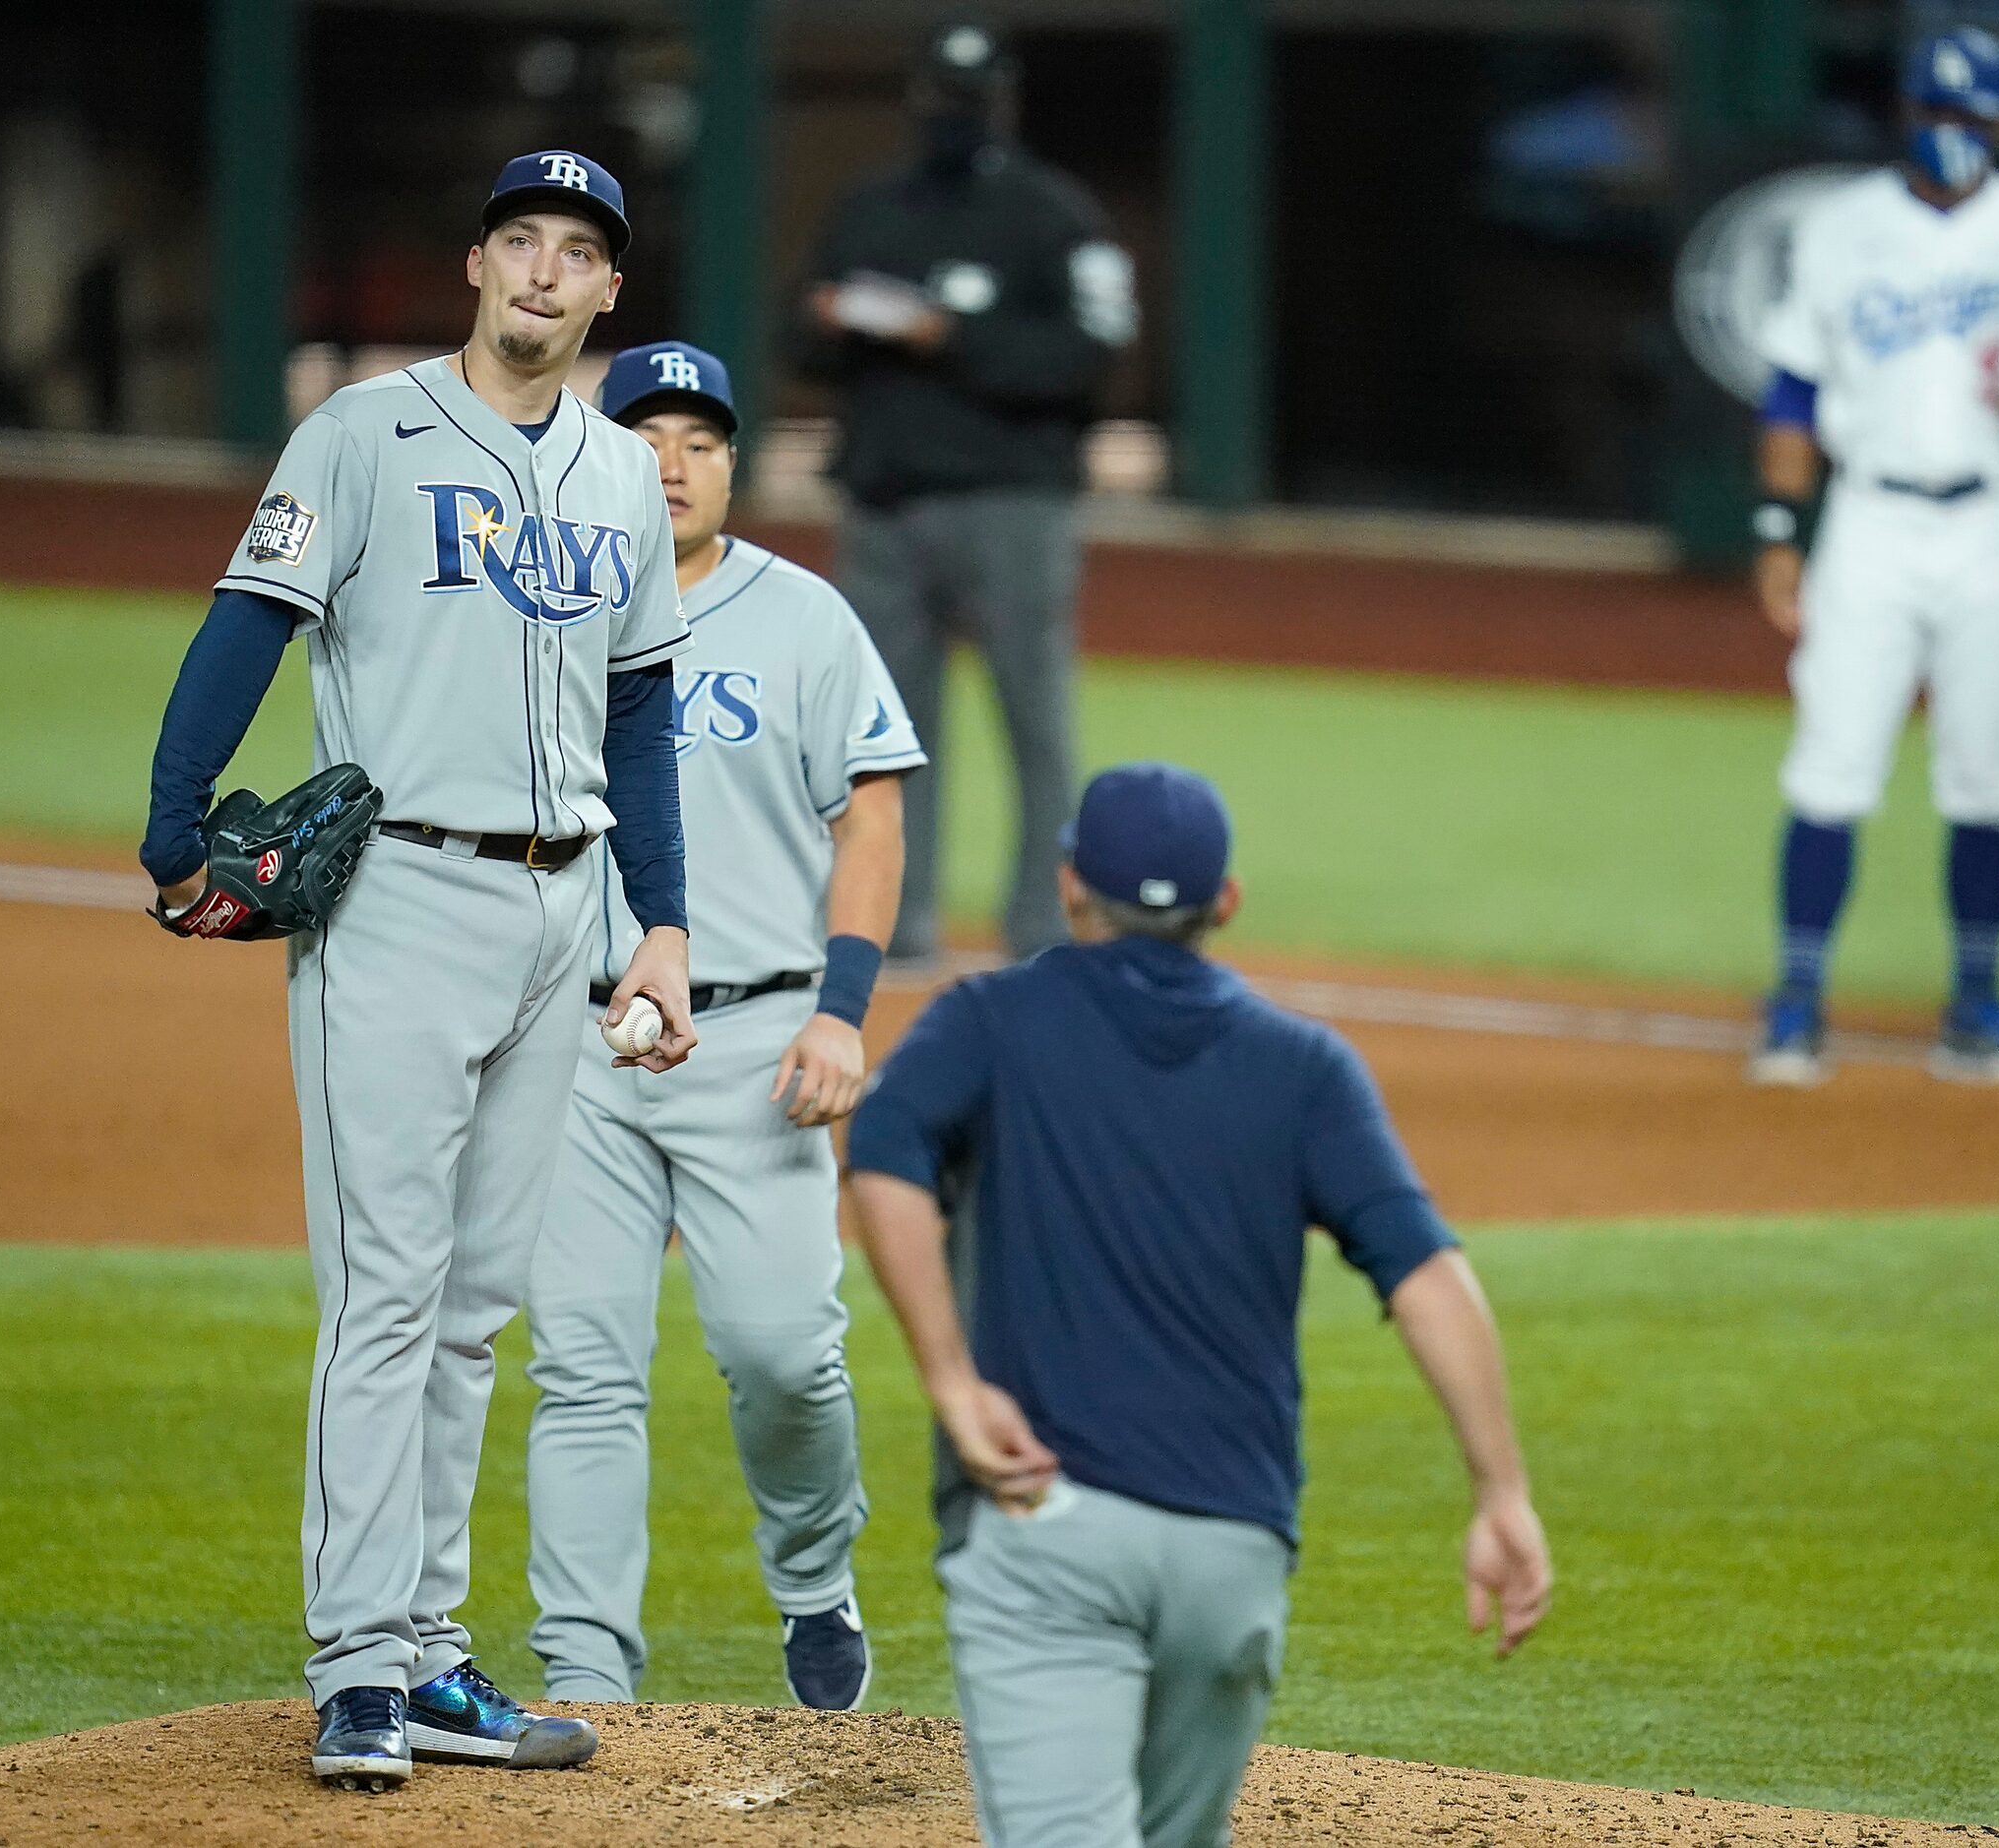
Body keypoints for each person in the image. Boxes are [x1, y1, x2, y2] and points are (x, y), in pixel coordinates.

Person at [139, 150, 698, 1790]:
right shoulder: (361, 437)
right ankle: (352, 1670)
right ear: (475, 264)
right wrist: (173, 826)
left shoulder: (616, 477)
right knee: (385, 1295)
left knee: (471, 1309)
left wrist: (659, 922)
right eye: (518, 239)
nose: (542, 270)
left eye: (575, 251)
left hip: (560, 912)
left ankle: (432, 1654)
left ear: (607, 292)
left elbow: (642, 717)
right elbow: (248, 622)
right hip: (392, 901)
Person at [844, 763, 1553, 1848]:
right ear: (1225, 905)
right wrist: (1500, 1491)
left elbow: (883, 1152)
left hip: (1050, 1528)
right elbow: (1428, 1275)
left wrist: (950, 1379)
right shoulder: (1308, 1068)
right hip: (1235, 1553)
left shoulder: (991, 1020)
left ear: (1072, 885)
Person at [521, 339, 924, 1712]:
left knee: (782, 1356)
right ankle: (585, 1668)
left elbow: (870, 812)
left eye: (702, 438)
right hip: (571, 1044)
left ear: (735, 463)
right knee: (580, 1364)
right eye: (646, 434)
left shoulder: (804, 617)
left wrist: (843, 1013)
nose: (675, 461)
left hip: (759, 1044)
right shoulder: (539, 614)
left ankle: (816, 1582)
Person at [1745, 29, 1999, 1086]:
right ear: (1905, 116)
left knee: (1988, 770)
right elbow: (1794, 388)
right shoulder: (1840, 230)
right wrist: (1776, 529)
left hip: (1994, 526)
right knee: (1832, 762)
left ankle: (1976, 1006)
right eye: (1939, 116)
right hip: (1871, 523)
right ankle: (1797, 1001)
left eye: (1975, 119)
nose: (1956, 137)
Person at [792, 14, 1138, 965]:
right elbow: (799, 336)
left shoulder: (1054, 216)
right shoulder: (870, 209)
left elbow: (1088, 355)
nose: (955, 116)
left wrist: (947, 337)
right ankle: (896, 920)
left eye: (971, 101)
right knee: (888, 734)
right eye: (943, 98)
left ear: (1003, 105)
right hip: (886, 503)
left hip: (1012, 503)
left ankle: (1039, 925)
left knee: (1036, 721)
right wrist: (834, 324)